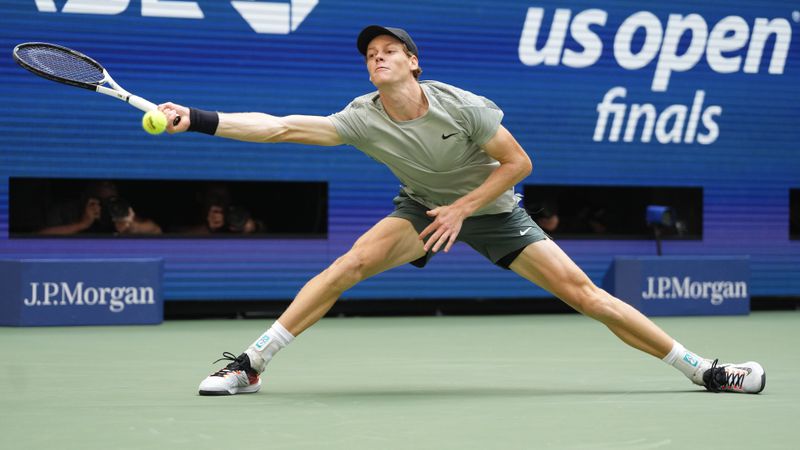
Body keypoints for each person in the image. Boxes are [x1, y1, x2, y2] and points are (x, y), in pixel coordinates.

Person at [159, 25, 765, 396]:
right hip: (421, 208)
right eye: (370, 53)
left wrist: (463, 209)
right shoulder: (362, 115)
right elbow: (282, 127)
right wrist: (199, 119)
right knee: (347, 266)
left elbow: (519, 163)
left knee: (586, 295)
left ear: (414, 62)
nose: (378, 58)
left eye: (390, 50)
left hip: (495, 211)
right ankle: (252, 364)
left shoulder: (463, 106)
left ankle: (705, 370)